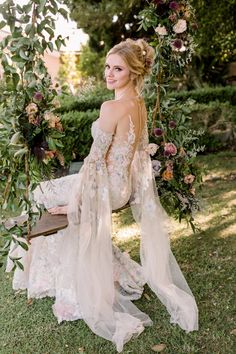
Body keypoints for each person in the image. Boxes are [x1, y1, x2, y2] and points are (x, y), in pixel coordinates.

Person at [6, 38, 198, 353]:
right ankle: (71, 270)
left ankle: (56, 279)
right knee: (56, 195)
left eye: (117, 69)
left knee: (43, 192)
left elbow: (94, 164)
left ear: (133, 72)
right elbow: (137, 155)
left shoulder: (111, 107)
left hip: (102, 187)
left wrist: (76, 202)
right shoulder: (138, 103)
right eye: (108, 67)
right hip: (121, 188)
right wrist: (133, 191)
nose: (109, 74)